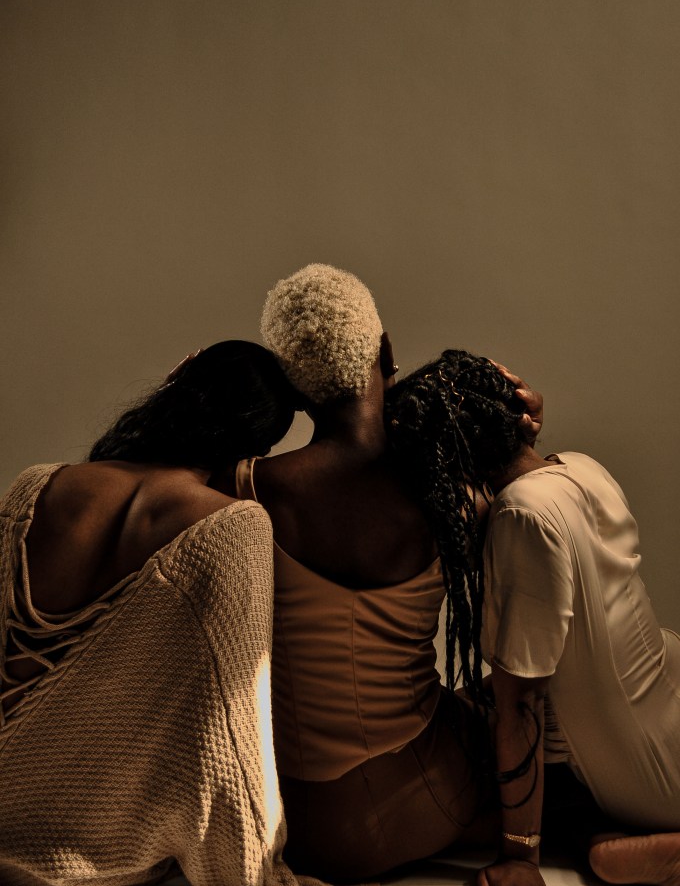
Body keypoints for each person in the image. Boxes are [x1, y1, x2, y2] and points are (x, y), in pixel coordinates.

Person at [215, 263, 544, 883]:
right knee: (529, 709)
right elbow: (556, 515)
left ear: (294, 390)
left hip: (294, 823)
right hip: (418, 800)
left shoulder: (245, 488)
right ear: (386, 351)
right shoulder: (453, 497)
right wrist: (523, 438)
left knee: (470, 704)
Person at [0, 341, 322, 886]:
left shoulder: (34, 488)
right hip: (72, 860)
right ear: (254, 449)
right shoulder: (231, 527)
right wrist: (257, 869)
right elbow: (234, 731)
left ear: (178, 381)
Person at [385, 348, 680, 886]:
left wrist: (520, 857)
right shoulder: (578, 466)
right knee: (461, 711)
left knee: (487, 746)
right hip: (665, 693)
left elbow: (521, 701)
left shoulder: (522, 515)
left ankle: (623, 845)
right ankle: (601, 838)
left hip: (651, 768)